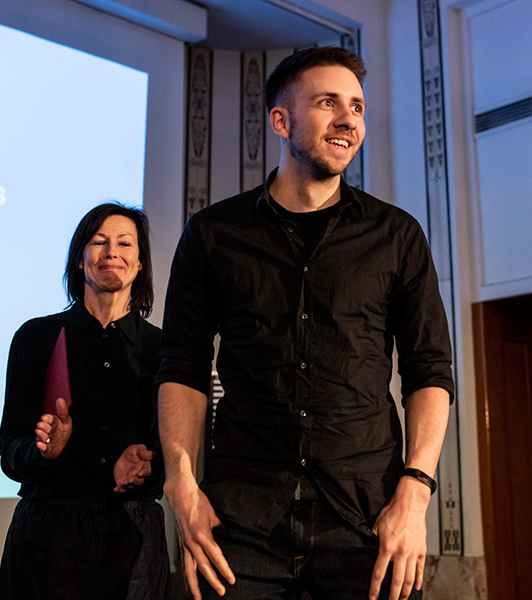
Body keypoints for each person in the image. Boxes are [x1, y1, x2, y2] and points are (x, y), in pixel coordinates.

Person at [158, 47, 454, 600]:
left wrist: (414, 495)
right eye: (328, 103)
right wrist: (181, 481)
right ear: (281, 120)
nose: (349, 119)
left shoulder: (397, 235)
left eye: (358, 107)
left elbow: (430, 370)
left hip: (368, 518)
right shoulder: (213, 233)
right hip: (239, 523)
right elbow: (183, 366)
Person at [0, 203, 170, 600]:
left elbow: (179, 455)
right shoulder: (36, 338)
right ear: (79, 259)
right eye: (98, 241)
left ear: (140, 263)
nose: (112, 252)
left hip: (134, 532)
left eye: (125, 243)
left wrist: (146, 468)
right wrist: (45, 453)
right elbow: (9, 454)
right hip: (47, 538)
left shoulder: (164, 349)